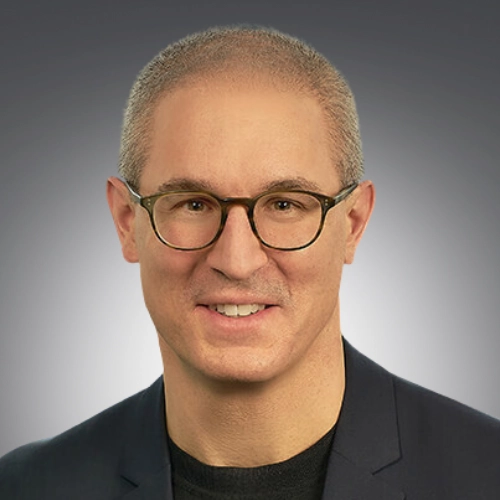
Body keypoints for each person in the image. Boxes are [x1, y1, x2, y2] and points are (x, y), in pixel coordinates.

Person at [0, 25, 499, 500]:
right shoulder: (24, 487)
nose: (237, 261)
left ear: (353, 224)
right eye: (193, 204)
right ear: (127, 222)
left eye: (284, 204)